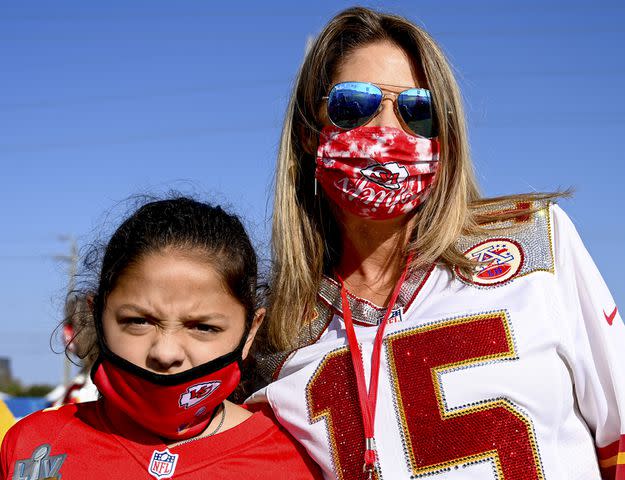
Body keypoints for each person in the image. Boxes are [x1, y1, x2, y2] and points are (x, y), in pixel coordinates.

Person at [249, 6, 625, 480]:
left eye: (418, 111)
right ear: (309, 132)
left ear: (445, 137)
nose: (386, 129)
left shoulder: (537, 243)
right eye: (353, 105)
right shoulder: (276, 333)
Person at [1, 197, 320, 479]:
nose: (165, 353)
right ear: (97, 317)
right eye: (138, 321)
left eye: (203, 327)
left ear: (250, 331)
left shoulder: (297, 460)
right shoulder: (32, 448)